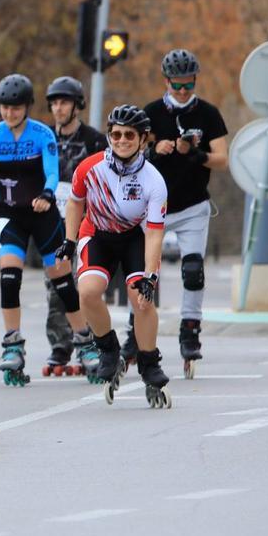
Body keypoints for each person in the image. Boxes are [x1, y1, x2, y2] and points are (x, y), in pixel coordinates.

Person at [0, 74, 92, 387]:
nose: (10, 113)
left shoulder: (42, 134)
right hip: (11, 215)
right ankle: (13, 343)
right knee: (8, 275)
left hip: (43, 214)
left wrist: (47, 194)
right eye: (5, 108)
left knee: (62, 281)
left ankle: (85, 341)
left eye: (16, 108)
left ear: (28, 107)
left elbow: (51, 171)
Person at [60, 105, 171, 408]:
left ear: (143, 139)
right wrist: (70, 241)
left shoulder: (154, 180)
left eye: (129, 135)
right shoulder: (89, 167)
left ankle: (149, 362)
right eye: (116, 134)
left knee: (142, 299)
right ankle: (108, 348)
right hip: (97, 235)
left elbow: (155, 232)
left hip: (135, 237)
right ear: (109, 135)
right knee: (89, 292)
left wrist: (151, 274)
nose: (122, 140)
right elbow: (74, 204)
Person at [142, 49, 228, 378]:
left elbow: (222, 159)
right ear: (166, 81)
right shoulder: (150, 113)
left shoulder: (208, 114)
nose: (182, 91)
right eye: (176, 85)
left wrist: (195, 153)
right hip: (156, 206)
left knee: (193, 269)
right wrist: (154, 149)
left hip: (193, 205)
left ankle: (189, 331)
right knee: (144, 273)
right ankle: (135, 333)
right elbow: (129, 150)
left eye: (187, 85)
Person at [43, 76, 108, 377]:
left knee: (85, 283)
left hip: (85, 220)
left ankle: (92, 339)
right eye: (54, 103)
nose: (58, 109)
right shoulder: (45, 138)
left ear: (77, 105)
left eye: (64, 102)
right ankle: (60, 343)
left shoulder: (95, 140)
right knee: (55, 284)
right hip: (51, 218)